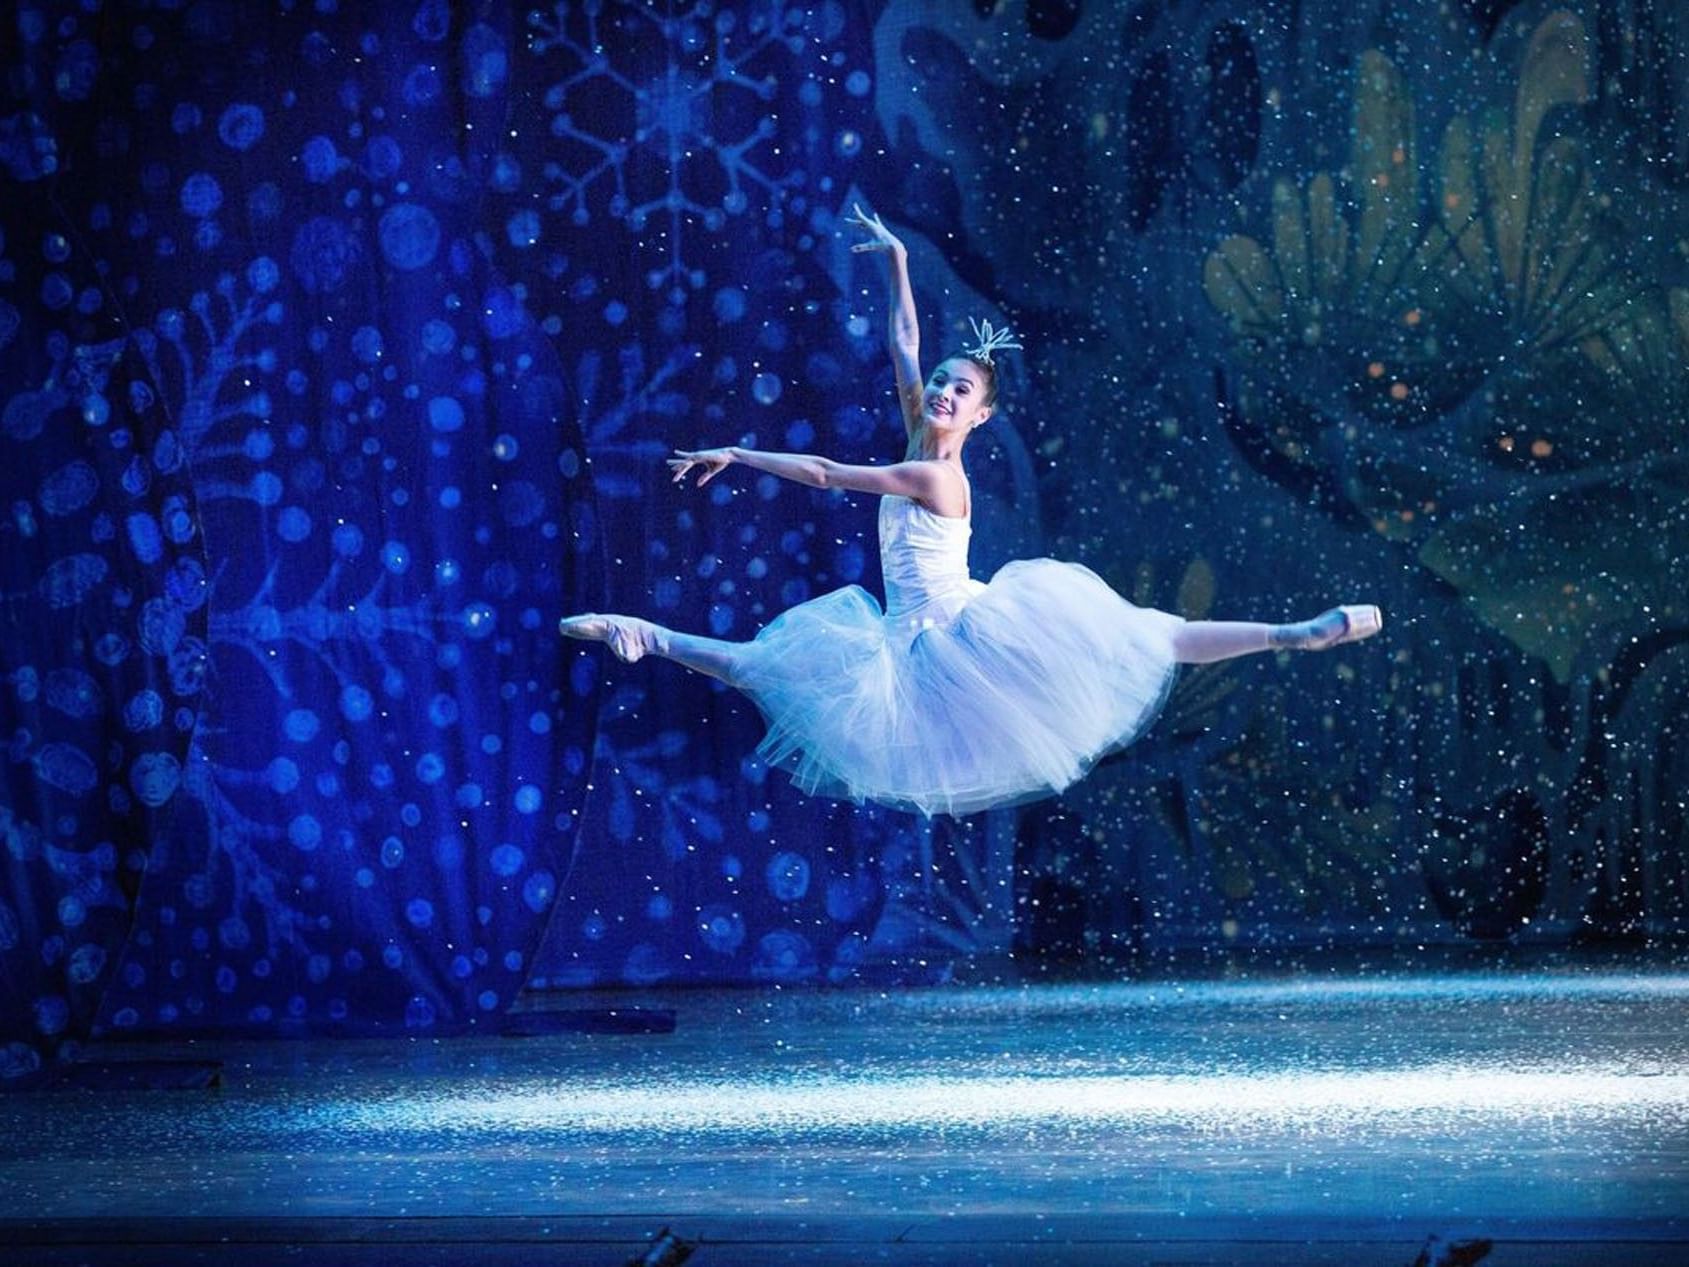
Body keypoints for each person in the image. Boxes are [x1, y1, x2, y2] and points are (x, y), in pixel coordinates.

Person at [559, 204, 1382, 817]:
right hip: (907, 635)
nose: (945, 393)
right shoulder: (922, 429)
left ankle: (1294, 633)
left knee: (1150, 632)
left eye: (963, 391)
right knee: (761, 667)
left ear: (981, 416)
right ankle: (645, 634)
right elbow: (904, 342)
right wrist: (897, 264)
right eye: (944, 385)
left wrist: (737, 453)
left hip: (958, 633)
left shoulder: (934, 479)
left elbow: (821, 471)